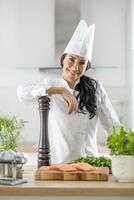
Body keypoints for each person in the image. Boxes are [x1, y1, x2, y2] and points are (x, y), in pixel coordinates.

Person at [17, 20, 120, 164]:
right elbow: (22, 92)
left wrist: (125, 153)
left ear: (86, 67)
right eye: (71, 60)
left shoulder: (96, 88)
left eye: (82, 63)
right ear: (63, 60)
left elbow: (112, 126)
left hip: (89, 165)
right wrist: (60, 91)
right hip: (58, 166)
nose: (75, 67)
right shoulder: (51, 85)